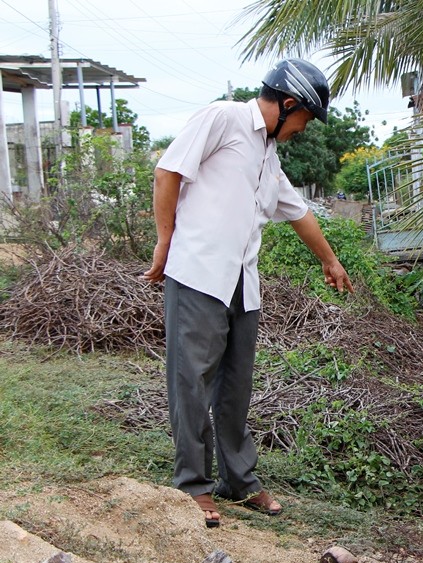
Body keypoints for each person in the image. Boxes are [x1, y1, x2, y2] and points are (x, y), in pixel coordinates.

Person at [143, 59, 354, 528]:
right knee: (191, 380)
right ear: (289, 104)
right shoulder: (223, 118)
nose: (304, 129)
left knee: (235, 386)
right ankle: (192, 486)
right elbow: (167, 172)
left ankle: (238, 481)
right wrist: (164, 241)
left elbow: (298, 212)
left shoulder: (268, 155)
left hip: (241, 282)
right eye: (304, 119)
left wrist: (329, 259)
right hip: (198, 272)